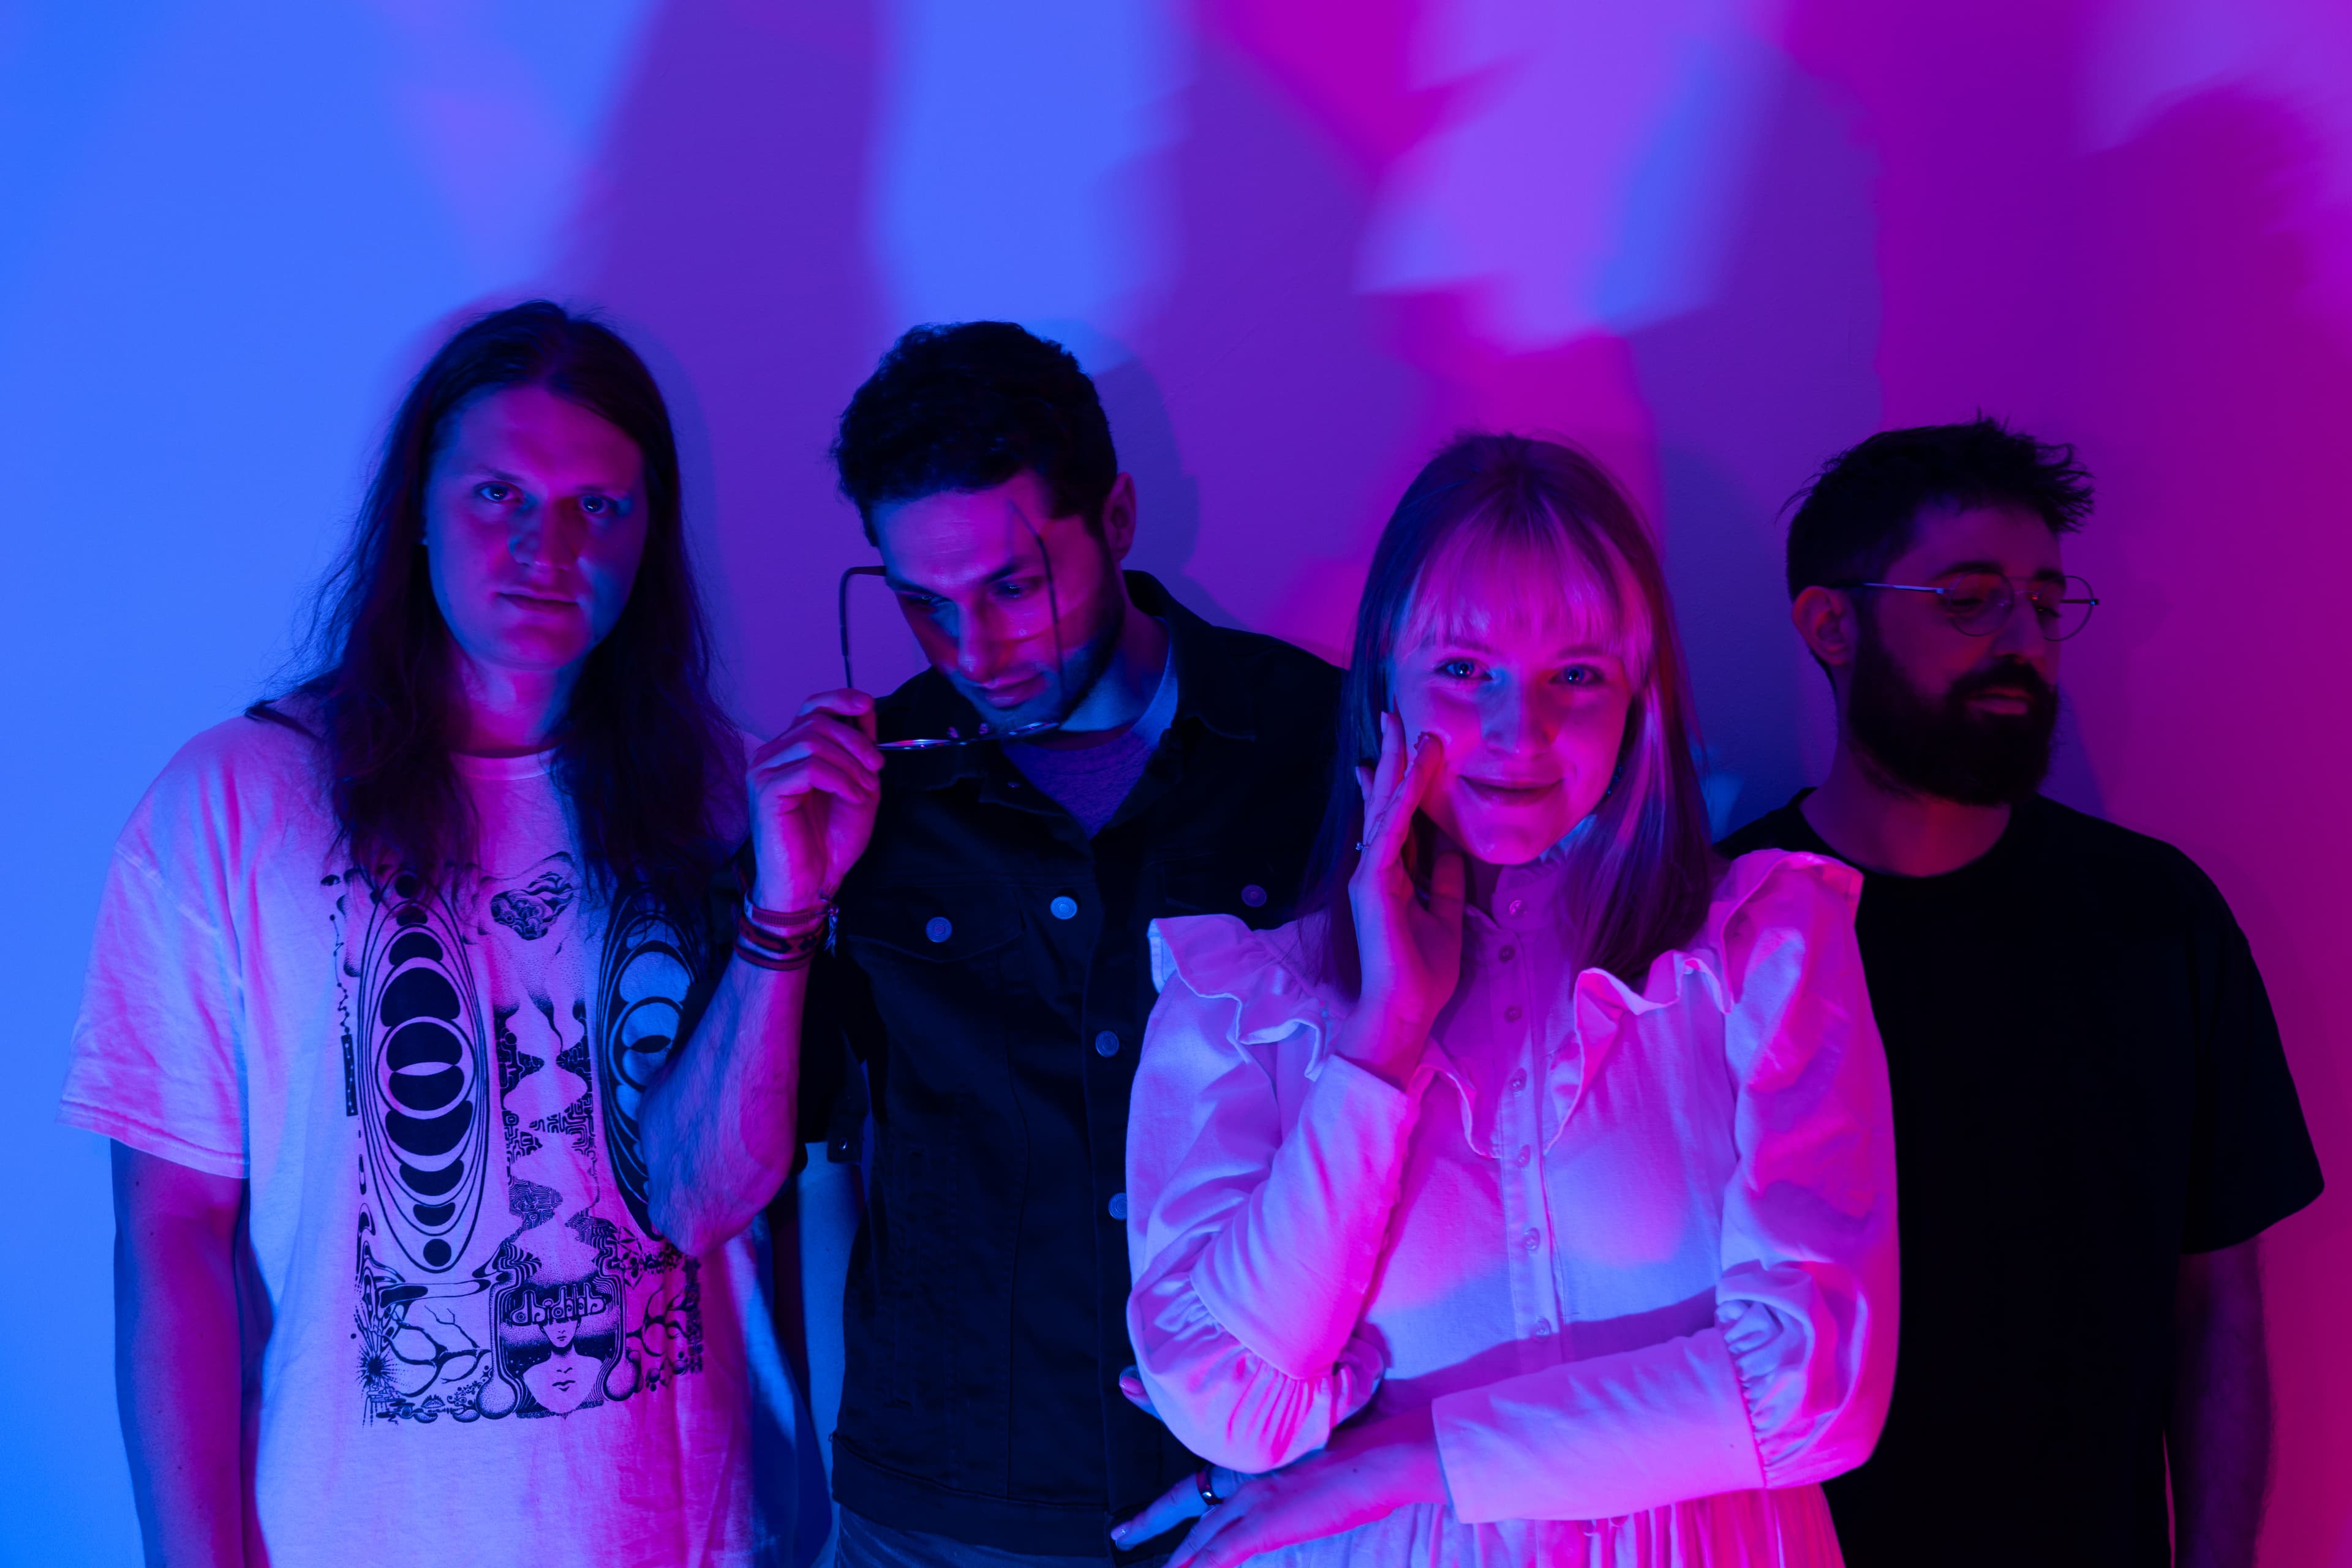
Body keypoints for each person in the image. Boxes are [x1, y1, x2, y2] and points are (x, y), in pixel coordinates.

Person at [62, 302, 793, 1566]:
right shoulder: (235, 802)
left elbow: (761, 1194)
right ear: (417, 504)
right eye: (498, 493)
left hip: (698, 1531)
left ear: (649, 538)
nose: (546, 545)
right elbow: (171, 1232)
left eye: (598, 507)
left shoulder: (731, 801)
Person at [1117, 433, 1897, 1567]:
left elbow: (1813, 1388)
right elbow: (1230, 1402)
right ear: (1383, 675)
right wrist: (1380, 1040)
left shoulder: (1763, 953)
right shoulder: (1244, 1008)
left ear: (1639, 692)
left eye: (1575, 674)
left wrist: (1396, 1461)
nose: (1516, 732)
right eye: (1465, 670)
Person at [639, 323, 1344, 1566]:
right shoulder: (851, 793)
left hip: (1271, 1488)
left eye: (1016, 585)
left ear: (1117, 517)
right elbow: (694, 1196)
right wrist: (787, 910)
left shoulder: (1311, 744)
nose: (976, 654)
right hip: (943, 1520)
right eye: (925, 605)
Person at [1717, 418, 2324, 1567]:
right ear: (1830, 624)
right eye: (1969, 598)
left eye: (2045, 603)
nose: (2026, 641)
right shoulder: (1721, 934)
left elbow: (2220, 1309)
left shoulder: (2157, 920)